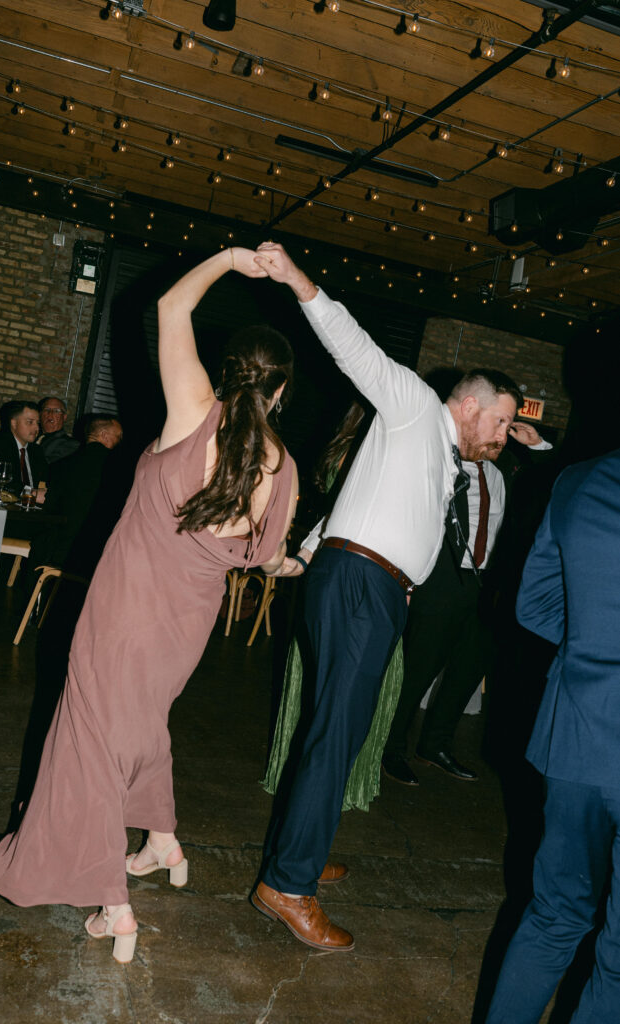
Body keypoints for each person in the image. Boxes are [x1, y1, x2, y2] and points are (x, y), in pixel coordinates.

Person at [0, 247, 298, 964]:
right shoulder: (280, 465)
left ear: (227, 370)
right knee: (139, 723)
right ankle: (160, 841)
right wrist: (298, 561)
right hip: (184, 629)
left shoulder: (195, 412)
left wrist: (227, 258)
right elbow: (266, 560)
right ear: (280, 392)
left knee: (89, 745)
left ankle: (114, 907)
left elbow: (167, 307)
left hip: (124, 611)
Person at [250, 241, 519, 952]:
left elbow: (359, 500)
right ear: (467, 403)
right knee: (337, 732)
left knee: (335, 730)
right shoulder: (412, 405)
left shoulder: (437, 452)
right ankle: (287, 884)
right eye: (497, 423)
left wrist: (307, 551)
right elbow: (349, 341)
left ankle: (302, 851)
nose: (501, 438)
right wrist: (295, 277)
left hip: (365, 587)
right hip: (362, 588)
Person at [484, 448, 620, 1024]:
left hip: (577, 735)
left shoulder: (581, 479)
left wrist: (594, 652)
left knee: (551, 917)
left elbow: (534, 603)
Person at [382, 421, 552, 786]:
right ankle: (390, 747)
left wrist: (537, 445)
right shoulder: (441, 461)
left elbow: (552, 479)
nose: (501, 436)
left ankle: (434, 746)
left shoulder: (505, 469)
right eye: (498, 425)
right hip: (444, 583)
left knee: (466, 674)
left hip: (489, 588)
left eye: (507, 428)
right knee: (418, 671)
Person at [262, 401, 404, 813]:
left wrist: (305, 554)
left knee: (318, 690)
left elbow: (331, 512)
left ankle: (302, 789)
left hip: (330, 577)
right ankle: (328, 799)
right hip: (366, 588)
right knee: (348, 701)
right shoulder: (381, 452)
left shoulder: (346, 446)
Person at [32, 415, 123, 576]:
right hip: (98, 556)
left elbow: (50, 510)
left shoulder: (62, 465)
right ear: (104, 436)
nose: (121, 441)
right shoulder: (118, 471)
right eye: (118, 437)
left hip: (57, 551)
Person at [0, 400, 48, 494]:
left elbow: (45, 481)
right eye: (30, 422)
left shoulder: (37, 451)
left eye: (38, 423)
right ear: (14, 423)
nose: (36, 428)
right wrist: (30, 493)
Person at [37, 396, 80, 464]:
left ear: (64, 417)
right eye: (46, 410)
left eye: (56, 411)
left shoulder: (70, 444)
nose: (50, 414)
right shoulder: (31, 435)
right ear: (40, 414)